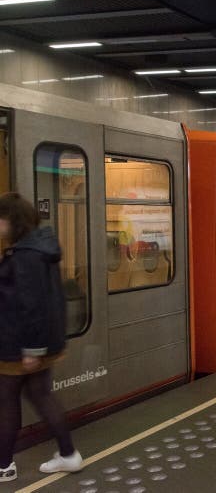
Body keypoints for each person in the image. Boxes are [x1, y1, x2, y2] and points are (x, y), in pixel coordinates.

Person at [0, 193, 82, 483]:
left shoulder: (25, 255)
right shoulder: (41, 247)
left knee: (7, 400)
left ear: (12, 221)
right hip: (40, 340)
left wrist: (31, 349)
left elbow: (30, 303)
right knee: (40, 395)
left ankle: (4, 466)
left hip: (19, 342)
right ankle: (68, 454)